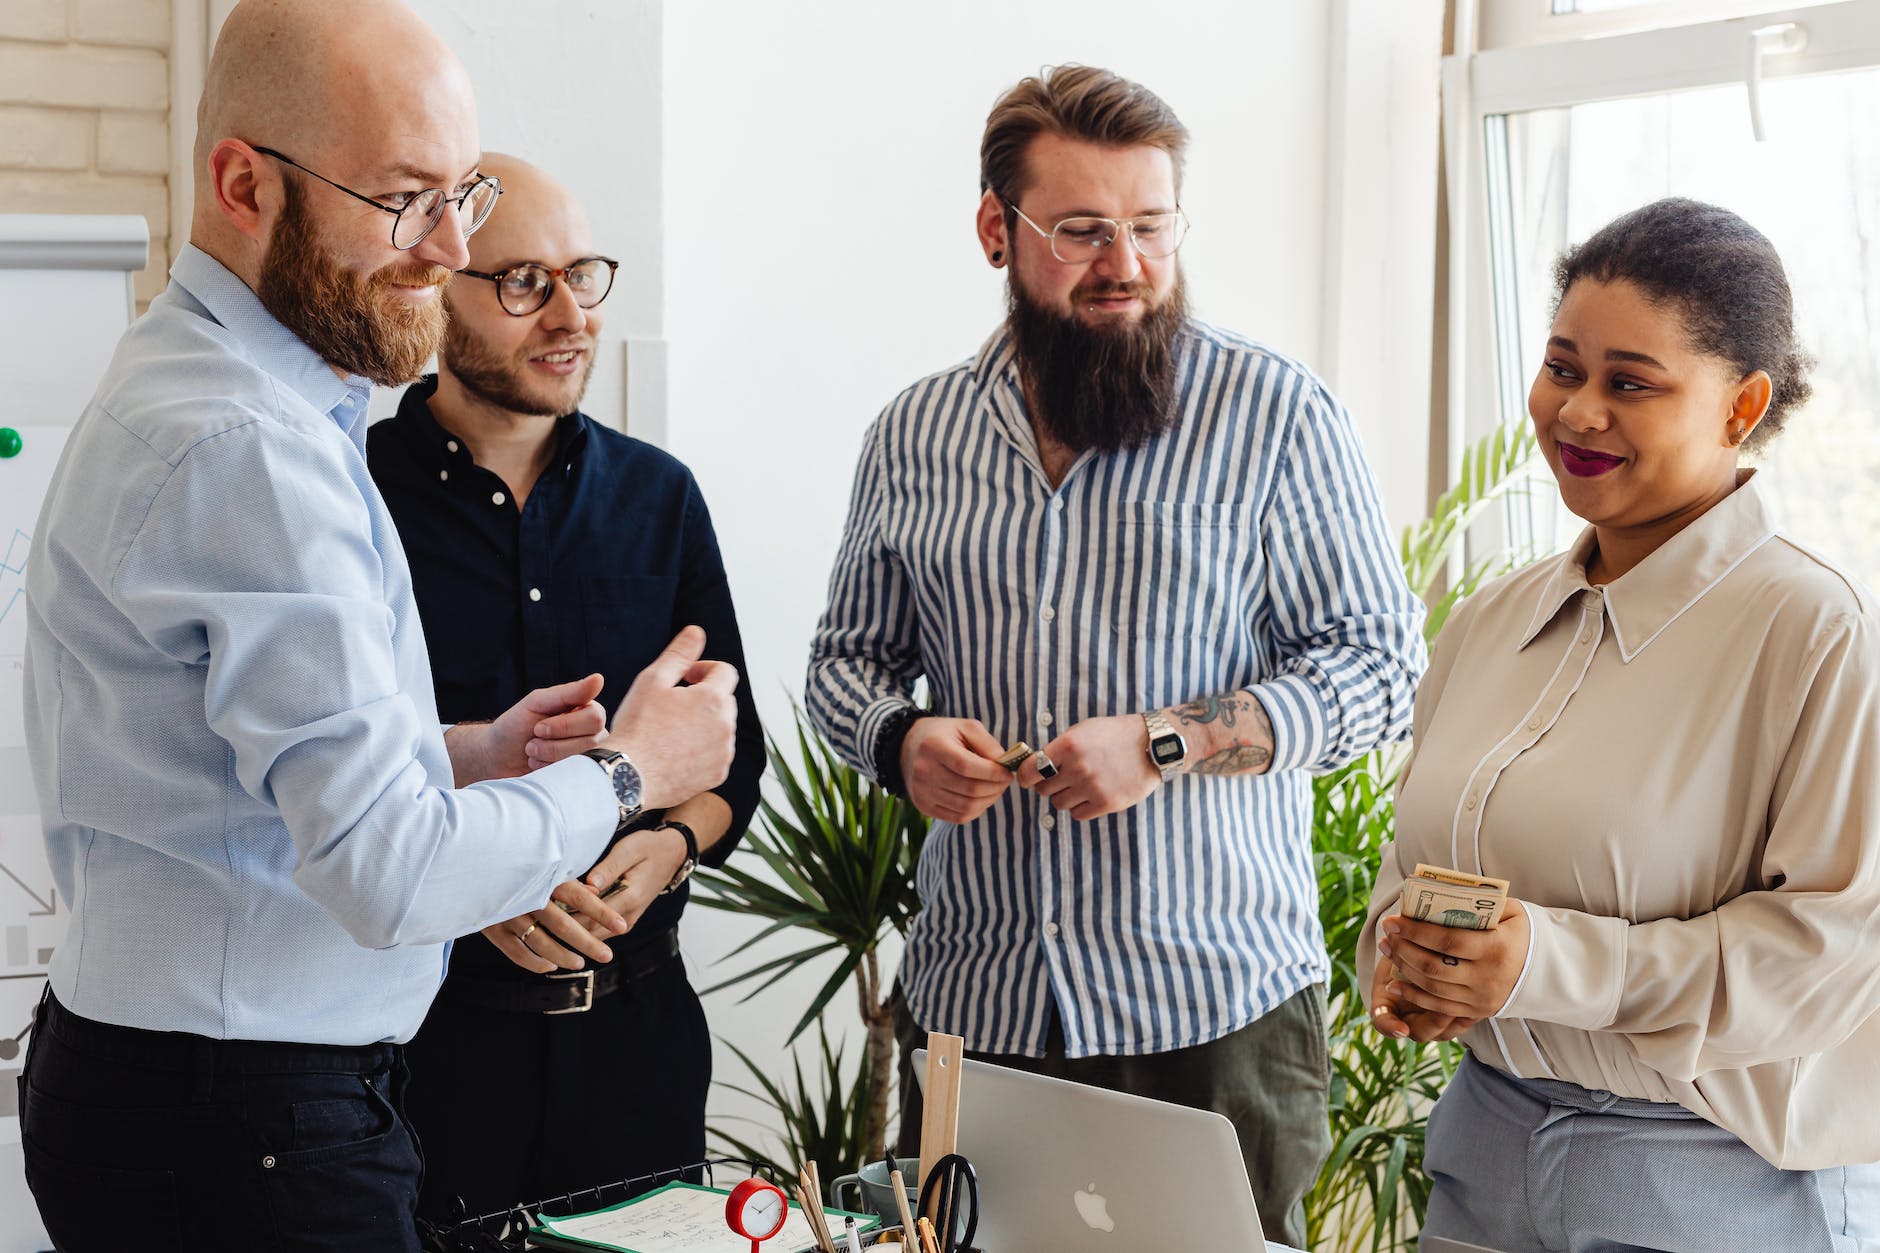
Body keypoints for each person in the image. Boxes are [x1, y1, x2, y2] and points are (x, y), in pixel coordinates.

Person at [16, 4, 737, 1250]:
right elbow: (389, 869)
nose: (448, 246)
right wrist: (631, 771)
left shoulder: (225, 393)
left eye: (464, 192)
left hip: (186, 1091)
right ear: (243, 183)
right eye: (408, 200)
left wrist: (463, 750)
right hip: (242, 1124)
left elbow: (229, 769)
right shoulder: (249, 446)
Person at [805, 64, 1426, 1246]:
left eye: (1150, 227)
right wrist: (900, 739)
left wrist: (1169, 742)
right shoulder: (911, 433)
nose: (1126, 263)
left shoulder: (1278, 416)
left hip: (1211, 1014)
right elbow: (845, 662)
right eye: (1081, 231)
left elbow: (1378, 666)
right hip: (973, 1006)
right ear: (997, 229)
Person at [1366, 198, 1880, 1251]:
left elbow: (1824, 957)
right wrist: (1410, 961)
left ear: (1740, 406)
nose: (1575, 412)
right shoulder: (1488, 618)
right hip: (1482, 1146)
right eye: (1561, 367)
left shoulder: (1812, 630)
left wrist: (1545, 964)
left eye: (1627, 383)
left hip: (1705, 1175)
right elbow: (1411, 858)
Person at [366, 153, 764, 1222]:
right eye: (522, 282)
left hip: (637, 1052)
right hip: (426, 1057)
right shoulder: (353, 493)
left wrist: (667, 845)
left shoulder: (659, 496)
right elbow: (333, 772)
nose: (567, 315)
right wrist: (478, 882)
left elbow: (736, 758)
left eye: (581, 274)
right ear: (435, 282)